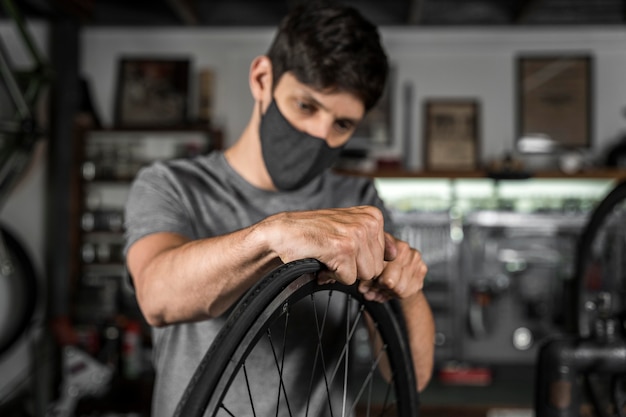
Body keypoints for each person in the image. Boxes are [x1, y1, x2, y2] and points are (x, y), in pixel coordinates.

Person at [124, 2, 435, 416]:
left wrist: (410, 294)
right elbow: (157, 297)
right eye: (306, 106)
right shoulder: (172, 186)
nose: (319, 135)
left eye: (341, 125)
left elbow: (412, 375)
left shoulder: (359, 200)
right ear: (262, 79)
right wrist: (276, 234)